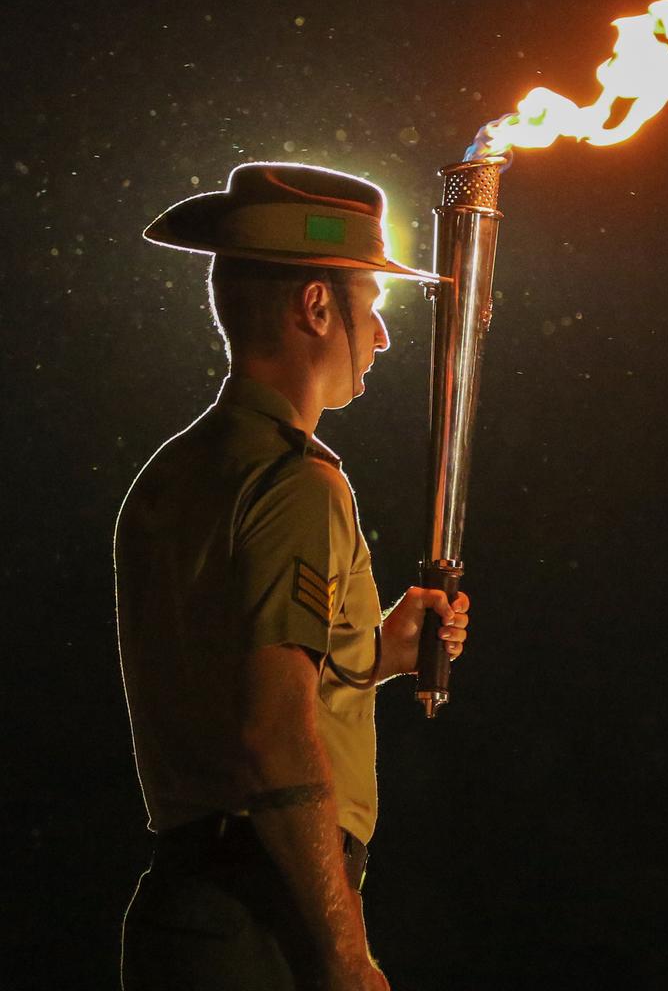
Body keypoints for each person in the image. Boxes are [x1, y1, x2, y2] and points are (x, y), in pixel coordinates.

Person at [114, 161, 471, 991]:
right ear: (317, 306)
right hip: (259, 918)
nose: (381, 336)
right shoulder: (298, 485)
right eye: (371, 306)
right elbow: (272, 734)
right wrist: (345, 958)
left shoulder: (175, 473)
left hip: (191, 910)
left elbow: (226, 675)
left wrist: (371, 651)